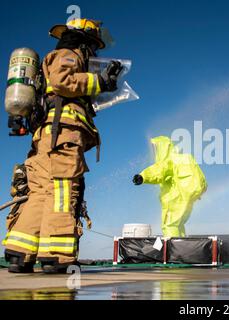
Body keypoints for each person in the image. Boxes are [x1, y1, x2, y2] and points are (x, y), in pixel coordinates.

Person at [3, 18, 121, 274]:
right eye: (93, 45)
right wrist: (99, 82)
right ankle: (55, 256)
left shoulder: (58, 54)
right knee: (63, 191)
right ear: (85, 39)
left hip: (48, 138)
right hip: (64, 135)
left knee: (41, 194)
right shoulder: (69, 53)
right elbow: (61, 81)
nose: (94, 52)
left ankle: (19, 253)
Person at [133, 136, 207, 237]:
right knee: (179, 225)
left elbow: (159, 170)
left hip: (174, 199)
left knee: (169, 225)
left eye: (156, 148)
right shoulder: (182, 158)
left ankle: (174, 252)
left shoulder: (169, 161)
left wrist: (143, 176)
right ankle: (182, 249)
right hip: (187, 200)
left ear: (162, 148)